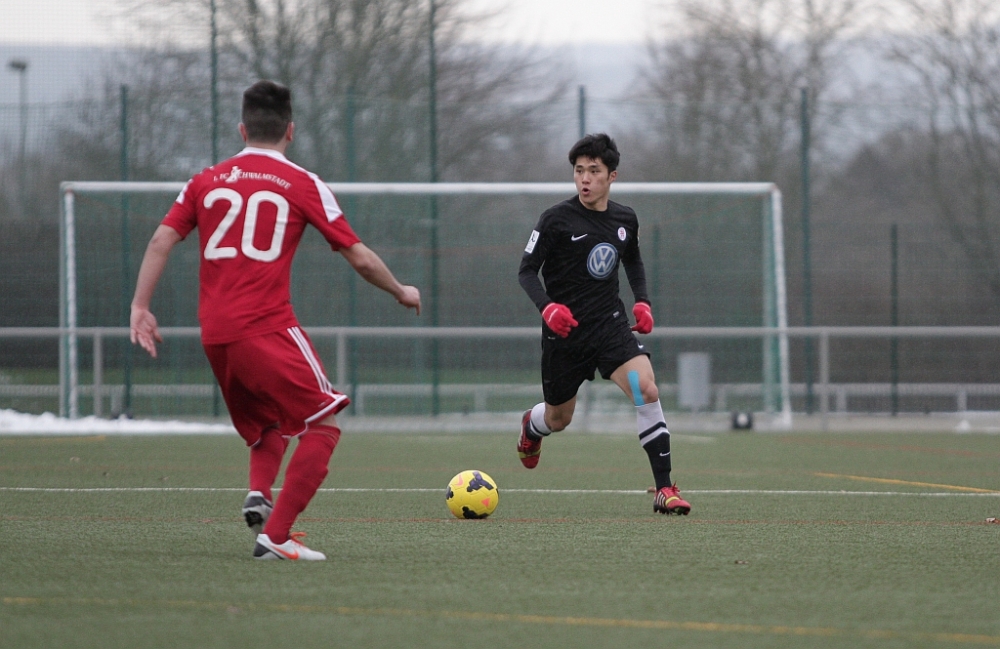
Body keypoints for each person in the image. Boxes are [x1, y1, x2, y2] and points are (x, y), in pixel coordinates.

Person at [130, 80, 421, 560]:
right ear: (291, 130)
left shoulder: (205, 180)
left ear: (242, 129)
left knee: (268, 423)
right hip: (265, 325)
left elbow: (161, 240)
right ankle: (277, 537)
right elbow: (360, 257)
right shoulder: (302, 183)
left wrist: (141, 307)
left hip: (215, 334)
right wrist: (400, 290)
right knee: (323, 424)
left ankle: (259, 494)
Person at [517, 133, 691, 515]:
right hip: (564, 336)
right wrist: (548, 308)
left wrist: (642, 301)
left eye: (594, 171)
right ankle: (532, 425)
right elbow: (526, 271)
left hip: (610, 329)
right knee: (559, 419)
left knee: (645, 389)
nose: (585, 179)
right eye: (579, 171)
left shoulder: (625, 219)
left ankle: (665, 490)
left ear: (612, 176)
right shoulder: (555, 219)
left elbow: (633, 260)